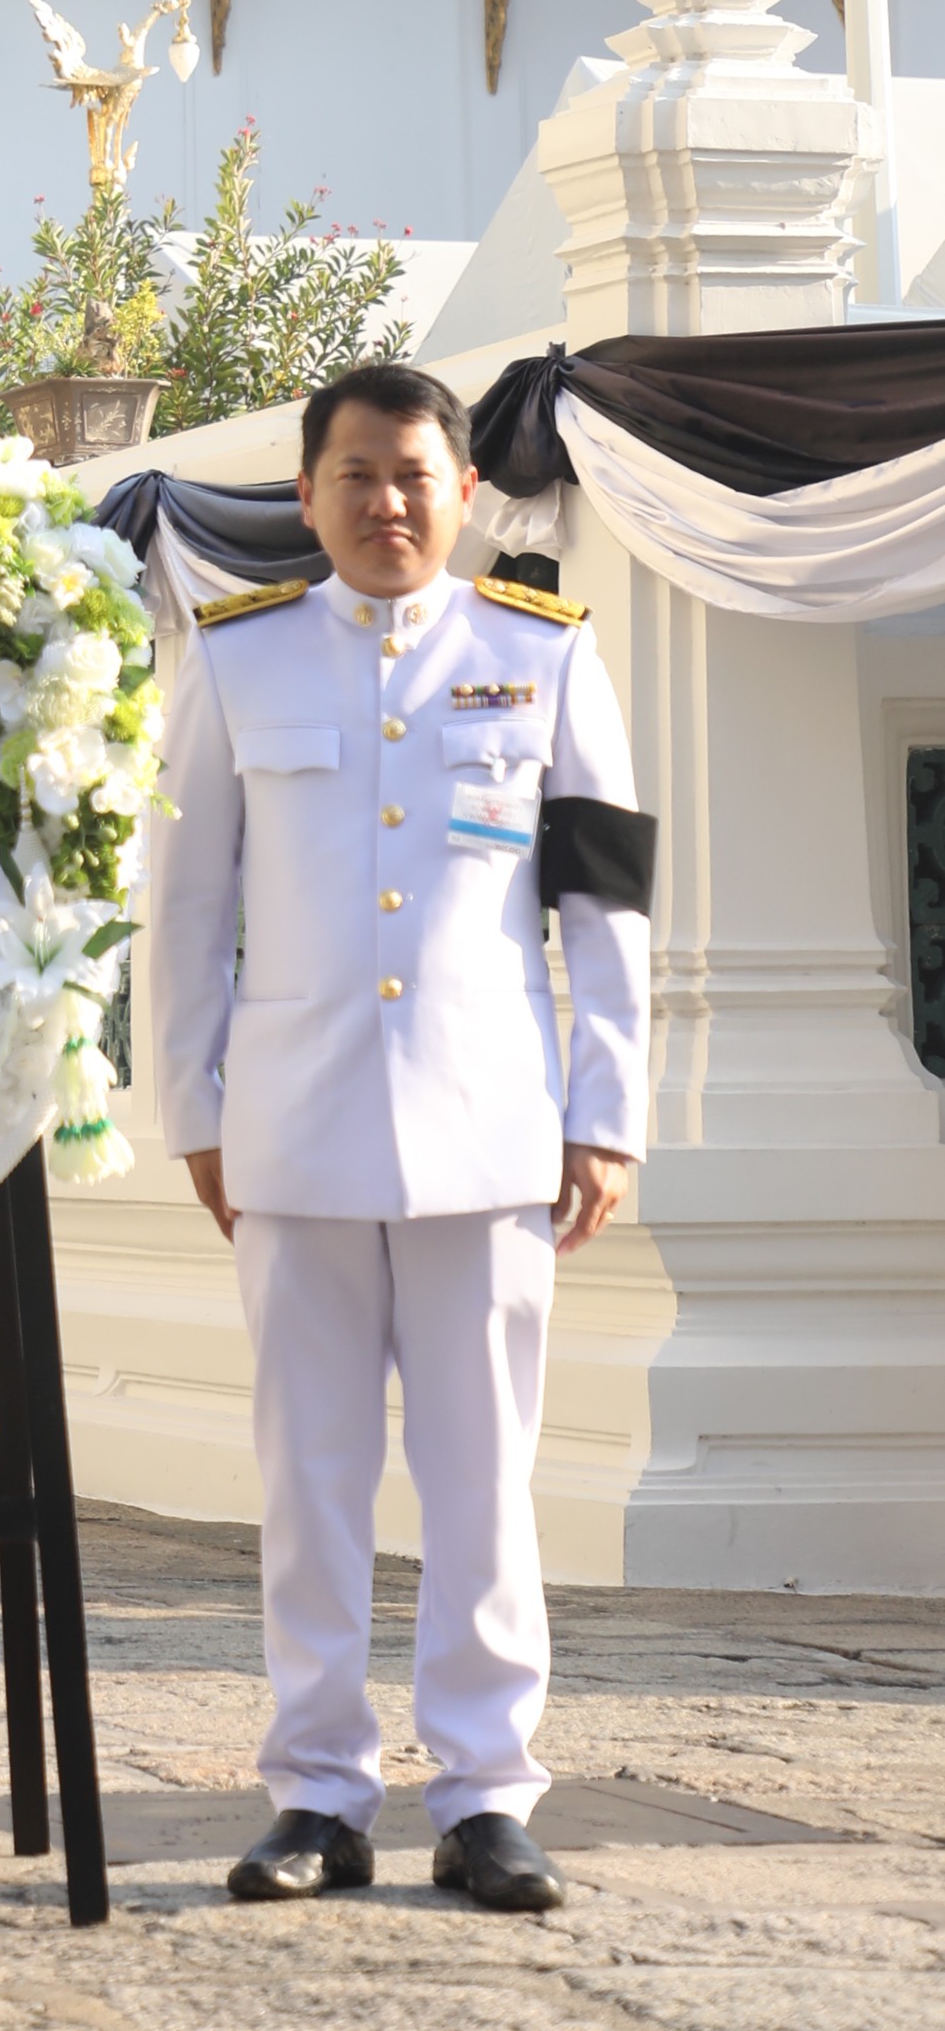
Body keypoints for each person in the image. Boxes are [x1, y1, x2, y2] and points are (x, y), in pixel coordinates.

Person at [152, 360, 653, 1919]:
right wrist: (194, 1109)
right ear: (307, 497)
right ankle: (316, 1789)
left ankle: (489, 1793)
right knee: (307, 1478)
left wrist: (606, 1109)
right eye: (357, 476)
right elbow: (186, 913)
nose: (386, 503)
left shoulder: (543, 656)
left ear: (464, 493)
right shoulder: (240, 666)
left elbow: (607, 905)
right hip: (294, 1133)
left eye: (415, 476)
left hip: (490, 1131)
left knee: (484, 1474)